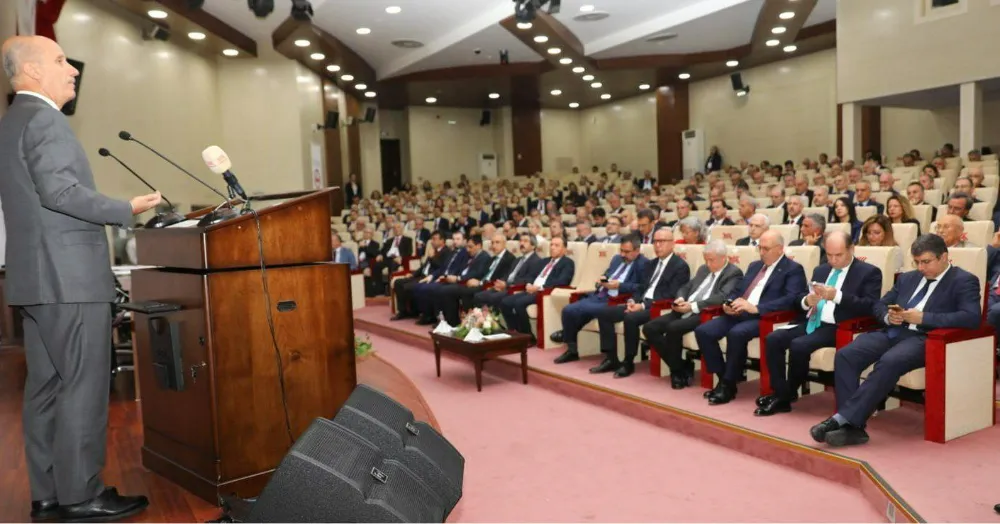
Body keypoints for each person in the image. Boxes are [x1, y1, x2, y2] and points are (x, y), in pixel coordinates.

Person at [0, 35, 159, 521]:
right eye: (59, 60)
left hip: (36, 281)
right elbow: (61, 192)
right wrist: (123, 208)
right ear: (30, 73)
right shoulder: (45, 119)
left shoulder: (12, 122)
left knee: (46, 388)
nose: (72, 69)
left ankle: (48, 494)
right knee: (83, 388)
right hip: (69, 281)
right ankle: (81, 494)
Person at [810, 235, 981, 447]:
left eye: (926, 262)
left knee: (890, 361)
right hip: (893, 331)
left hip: (927, 338)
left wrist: (924, 318)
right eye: (917, 262)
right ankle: (853, 428)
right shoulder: (908, 278)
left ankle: (842, 419)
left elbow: (971, 317)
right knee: (846, 354)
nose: (920, 267)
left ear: (944, 257)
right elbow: (880, 304)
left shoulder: (964, 280)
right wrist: (888, 316)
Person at [756, 232, 881, 416]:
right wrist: (807, 301)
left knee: (799, 345)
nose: (833, 260)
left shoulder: (869, 272)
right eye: (829, 255)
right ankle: (781, 393)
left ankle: (786, 395)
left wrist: (837, 296)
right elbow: (800, 299)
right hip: (812, 320)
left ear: (851, 249)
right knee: (774, 339)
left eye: (838, 255)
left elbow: (870, 306)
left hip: (839, 326)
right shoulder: (821, 270)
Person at [694, 230, 807, 405]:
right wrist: (728, 303)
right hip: (739, 312)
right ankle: (724, 379)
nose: (761, 252)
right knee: (704, 331)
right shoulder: (755, 266)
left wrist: (757, 308)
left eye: (766, 249)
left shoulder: (793, 269)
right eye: (760, 248)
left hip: (765, 316)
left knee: (737, 333)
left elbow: (791, 299)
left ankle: (727, 384)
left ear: (779, 249)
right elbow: (737, 290)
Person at [642, 240, 743, 388]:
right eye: (706, 259)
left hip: (704, 313)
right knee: (650, 328)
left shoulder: (733, 273)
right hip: (686, 307)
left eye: (711, 260)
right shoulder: (703, 269)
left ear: (723, 258)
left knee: (673, 327)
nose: (708, 264)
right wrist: (681, 298)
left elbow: (722, 297)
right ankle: (681, 366)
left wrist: (693, 306)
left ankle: (676, 372)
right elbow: (687, 286)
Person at [590, 228, 690, 377]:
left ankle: (628, 362)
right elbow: (641, 288)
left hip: (659, 307)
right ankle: (611, 358)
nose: (658, 245)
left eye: (662, 241)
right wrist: (632, 301)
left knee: (630, 318)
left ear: (672, 244)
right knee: (604, 313)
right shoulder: (651, 264)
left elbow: (670, 295)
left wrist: (642, 306)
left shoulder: (680, 266)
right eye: (656, 241)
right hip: (640, 303)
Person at [552, 235, 647, 363]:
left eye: (627, 252)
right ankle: (572, 350)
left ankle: (566, 333)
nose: (623, 254)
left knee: (589, 310)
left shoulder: (644, 264)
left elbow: (641, 287)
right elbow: (607, 274)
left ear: (637, 250)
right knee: (568, 310)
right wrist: (601, 280)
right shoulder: (616, 259)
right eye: (621, 250)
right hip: (599, 295)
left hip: (615, 299)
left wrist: (619, 285)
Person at [498, 237, 575, 344]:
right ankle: (515, 332)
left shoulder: (567, 263)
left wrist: (539, 287)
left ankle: (529, 337)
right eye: (551, 245)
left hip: (544, 292)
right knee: (505, 302)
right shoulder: (544, 261)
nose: (552, 248)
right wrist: (529, 284)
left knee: (519, 303)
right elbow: (532, 276)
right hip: (531, 290)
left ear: (565, 249)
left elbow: (563, 281)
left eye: (556, 245)